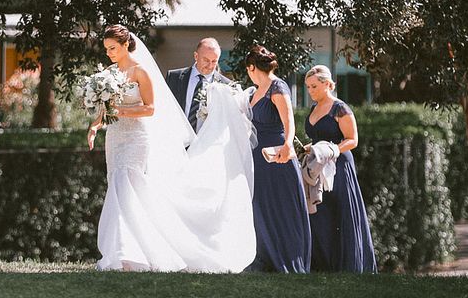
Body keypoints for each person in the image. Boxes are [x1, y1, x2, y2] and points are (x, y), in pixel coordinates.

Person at [88, 24, 256, 271]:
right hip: (115, 137)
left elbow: (150, 109)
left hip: (136, 138)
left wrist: (119, 111)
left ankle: (129, 253)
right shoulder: (110, 73)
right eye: (106, 49)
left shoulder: (141, 71)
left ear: (125, 45)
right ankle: (123, 251)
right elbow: (106, 106)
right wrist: (95, 125)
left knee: (126, 186)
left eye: (112, 48)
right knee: (116, 186)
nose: (109, 53)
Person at [302, 65, 377, 273]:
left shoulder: (340, 108)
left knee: (340, 213)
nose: (310, 91)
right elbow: (318, 138)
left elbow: (352, 139)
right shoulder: (314, 108)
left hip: (339, 167)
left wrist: (333, 150)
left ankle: (348, 267)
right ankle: (323, 266)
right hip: (317, 166)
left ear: (327, 84)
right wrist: (307, 148)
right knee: (319, 213)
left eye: (314, 86)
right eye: (308, 87)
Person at [244, 45, 311, 273]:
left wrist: (288, 145)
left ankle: (286, 258)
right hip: (257, 156)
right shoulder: (254, 91)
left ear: (252, 67)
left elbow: (288, 121)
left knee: (281, 206)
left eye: (248, 70)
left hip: (277, 155)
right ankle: (264, 257)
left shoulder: (277, 86)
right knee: (261, 204)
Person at [165, 37, 232, 132]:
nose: (210, 66)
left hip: (208, 139)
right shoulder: (174, 77)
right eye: (206, 60)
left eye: (214, 61)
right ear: (196, 56)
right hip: (177, 136)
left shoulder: (226, 85)